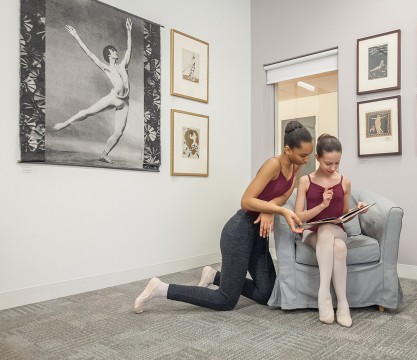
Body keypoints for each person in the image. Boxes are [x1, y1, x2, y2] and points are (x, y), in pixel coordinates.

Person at [134, 121, 313, 313]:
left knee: (267, 294)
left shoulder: (295, 166)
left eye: (309, 155)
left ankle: (214, 276)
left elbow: (285, 195)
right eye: (303, 155)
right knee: (225, 301)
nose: (306, 160)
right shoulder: (273, 165)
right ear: (287, 149)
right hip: (239, 231)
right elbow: (246, 200)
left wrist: (269, 209)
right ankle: (160, 288)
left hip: (259, 235)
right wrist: (280, 210)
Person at [294, 134, 368, 327]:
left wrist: (359, 209)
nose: (333, 168)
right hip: (311, 233)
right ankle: (340, 303)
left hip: (337, 230)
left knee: (329, 230)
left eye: (337, 163)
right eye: (328, 163)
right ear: (317, 158)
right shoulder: (305, 181)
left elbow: (343, 215)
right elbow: (298, 218)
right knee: (339, 247)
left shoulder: (345, 182)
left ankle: (327, 296)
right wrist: (321, 206)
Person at [53, 18, 133, 164]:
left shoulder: (123, 66)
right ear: (109, 54)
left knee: (119, 133)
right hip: (113, 98)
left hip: (125, 102)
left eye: (115, 50)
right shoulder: (107, 68)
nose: (116, 52)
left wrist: (129, 31)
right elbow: (90, 54)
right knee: (89, 112)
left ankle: (104, 154)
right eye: (113, 51)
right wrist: (76, 36)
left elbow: (129, 50)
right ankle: (65, 123)